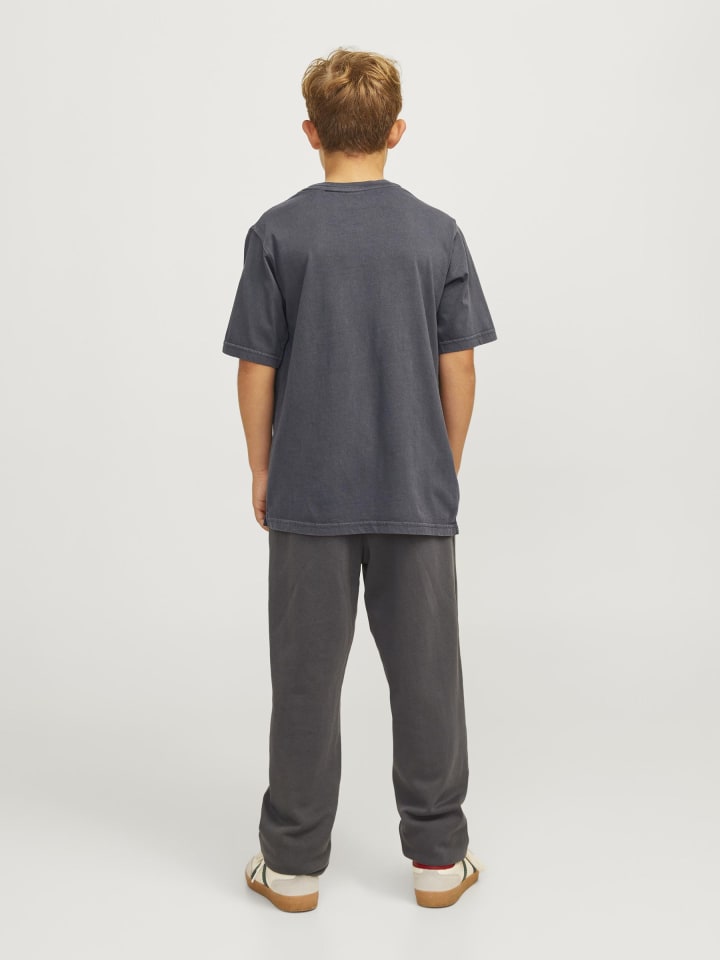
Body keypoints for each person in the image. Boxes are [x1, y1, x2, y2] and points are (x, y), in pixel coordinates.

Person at [222, 47, 497, 912]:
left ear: (311, 133)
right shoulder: (437, 233)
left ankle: (293, 867)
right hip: (415, 489)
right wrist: (440, 465)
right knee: (429, 678)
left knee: (305, 679)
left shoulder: (278, 232)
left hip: (309, 492)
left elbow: (256, 367)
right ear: (397, 131)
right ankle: (439, 862)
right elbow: (460, 367)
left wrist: (262, 466)